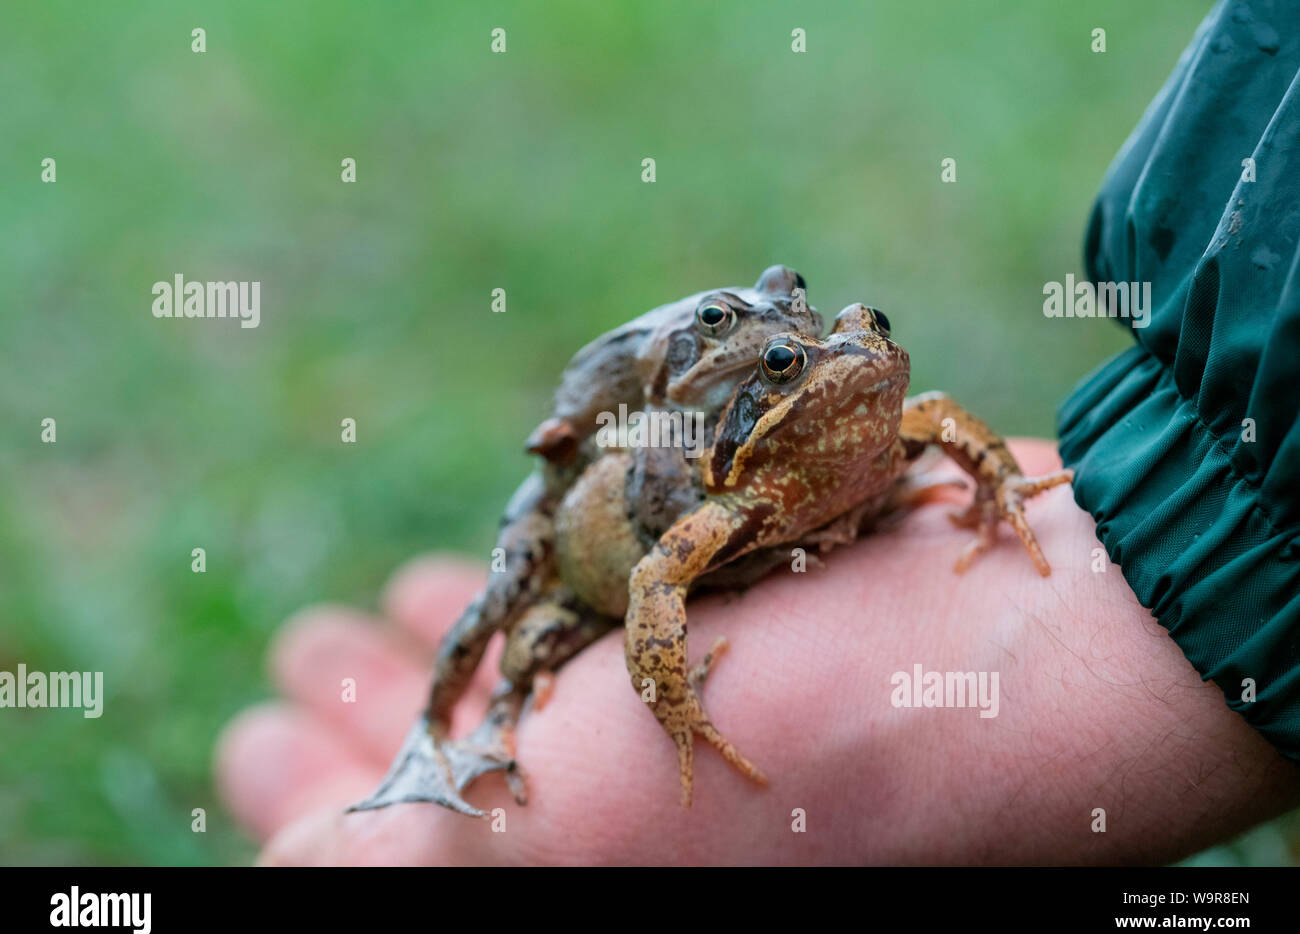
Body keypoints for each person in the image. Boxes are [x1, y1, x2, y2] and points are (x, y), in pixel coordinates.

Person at [215, 1, 1300, 863]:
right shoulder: (728, 490)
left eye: (863, 330)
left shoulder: (885, 412)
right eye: (787, 363)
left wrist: (1002, 492)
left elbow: (937, 421)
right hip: (610, 543)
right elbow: (649, 584)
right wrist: (673, 704)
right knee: (521, 605)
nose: (853, 356)